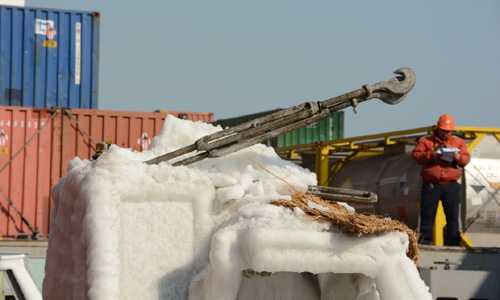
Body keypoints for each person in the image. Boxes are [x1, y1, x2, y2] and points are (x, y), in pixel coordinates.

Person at [412, 114, 470, 246]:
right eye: (444, 130)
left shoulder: (458, 142)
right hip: (432, 184)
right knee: (427, 215)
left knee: (453, 216)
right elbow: (416, 156)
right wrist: (432, 155)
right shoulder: (425, 141)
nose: (446, 134)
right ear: (438, 128)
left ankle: (454, 244)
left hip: (451, 185)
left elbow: (466, 159)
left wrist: (457, 157)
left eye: (448, 131)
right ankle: (424, 243)